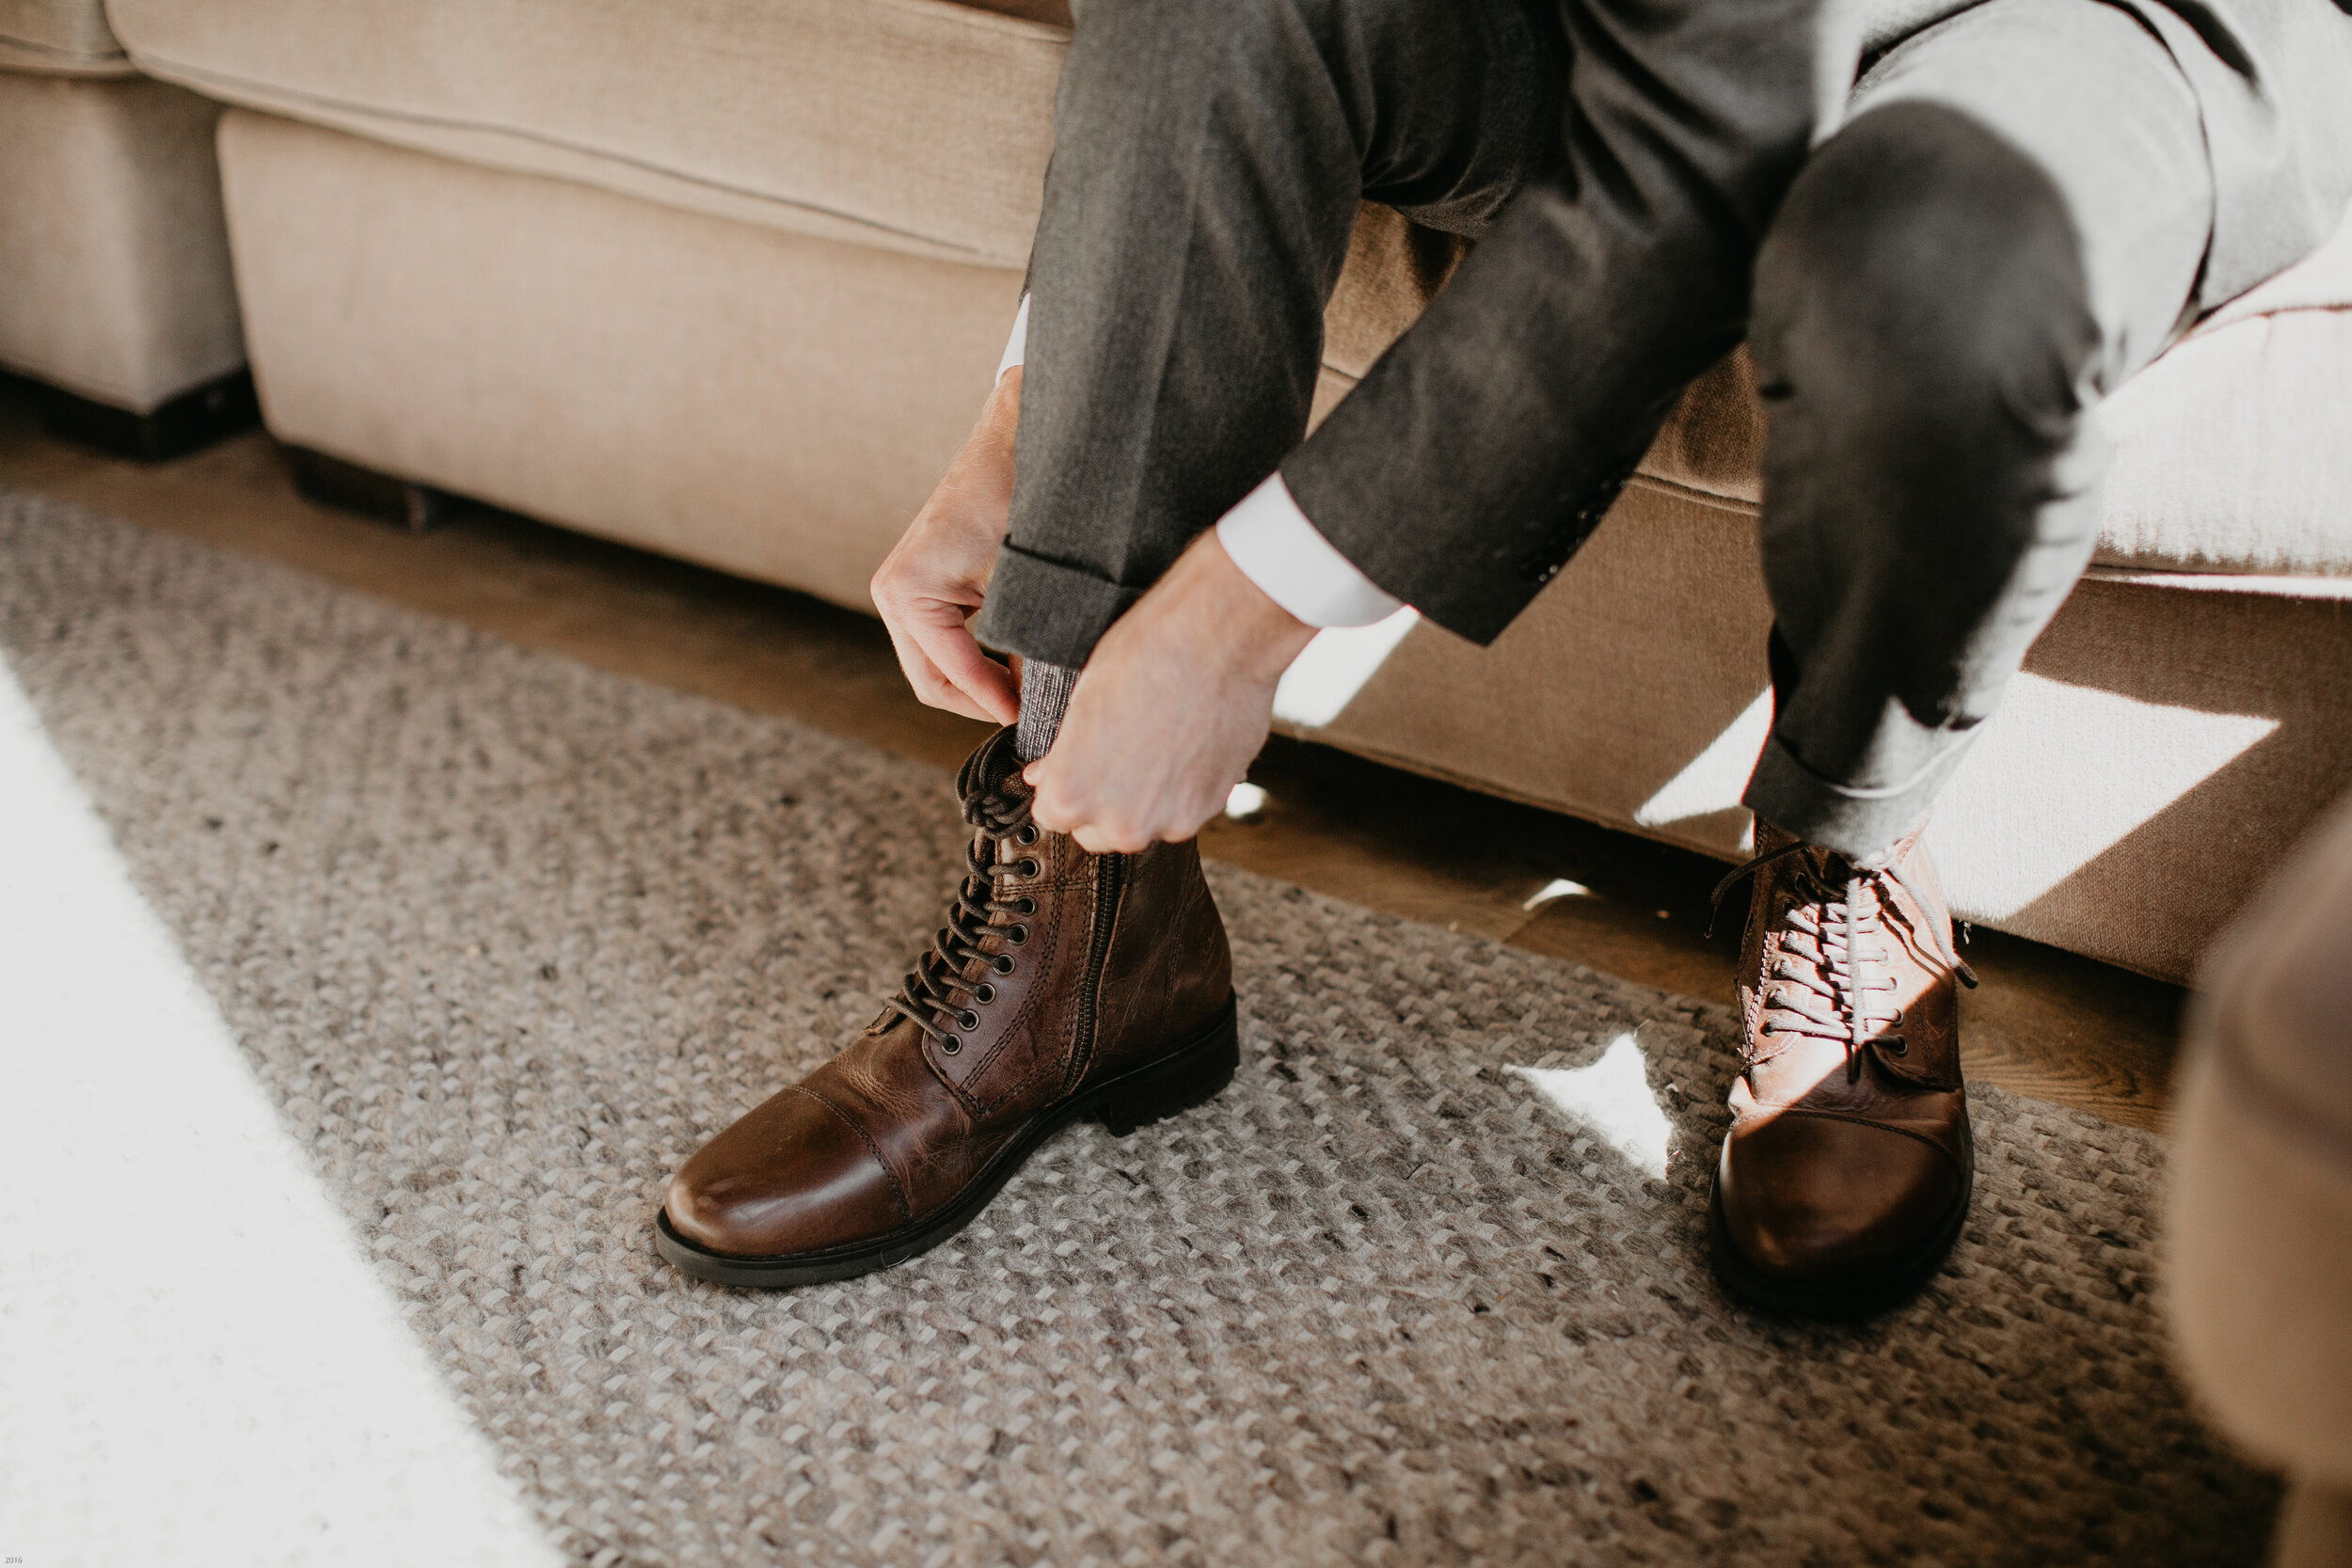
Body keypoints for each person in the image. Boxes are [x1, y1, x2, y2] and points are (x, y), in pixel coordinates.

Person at [655, 0, 2352, 1315]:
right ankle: (1095, 918)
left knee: (1924, 261)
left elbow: (1710, 141)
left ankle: (1847, 845)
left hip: (2084, 31)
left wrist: (1243, 622)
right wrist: (1029, 419)